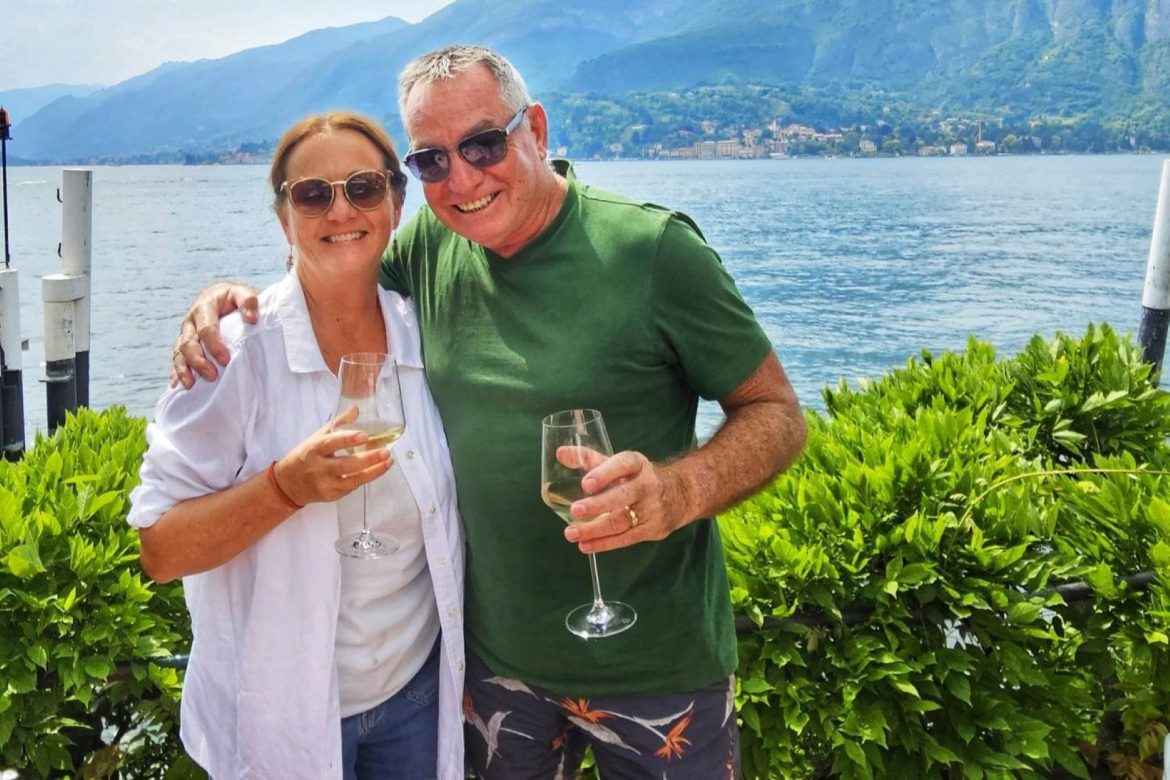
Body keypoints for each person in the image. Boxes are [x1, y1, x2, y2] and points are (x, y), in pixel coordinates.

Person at [173, 46, 807, 779]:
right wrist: (227, 302)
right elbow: (331, 258)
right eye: (432, 161)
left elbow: (776, 412)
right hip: (492, 668)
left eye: (483, 143)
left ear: (534, 129)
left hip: (654, 662)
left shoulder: (653, 250)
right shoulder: (431, 247)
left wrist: (678, 492)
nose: (464, 178)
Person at [130, 111, 465, 780]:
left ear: (397, 205)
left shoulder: (421, 324)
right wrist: (286, 487)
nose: (341, 208)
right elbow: (160, 549)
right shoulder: (234, 353)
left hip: (417, 697)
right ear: (285, 218)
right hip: (285, 714)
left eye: (364, 187)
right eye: (313, 193)